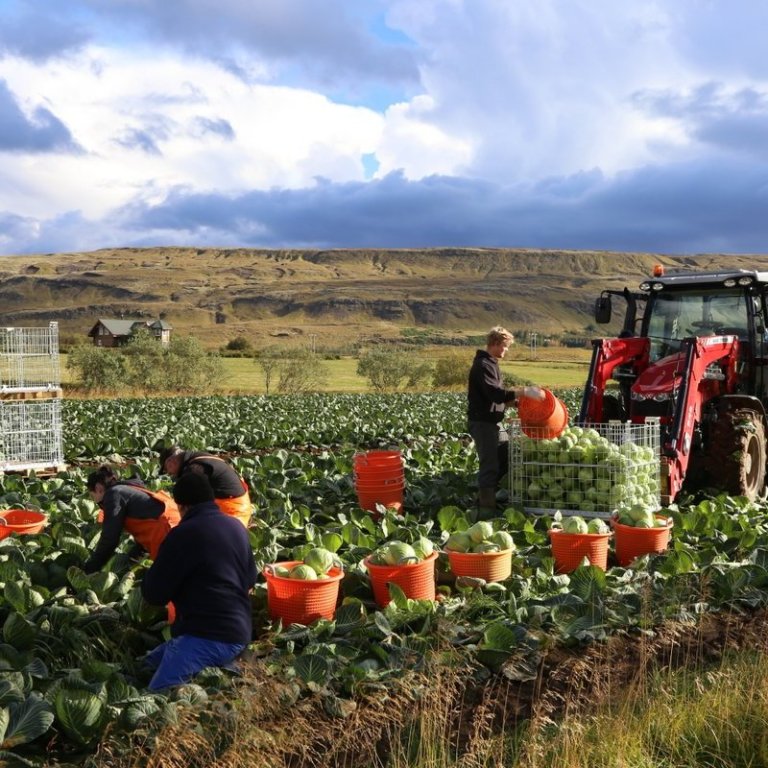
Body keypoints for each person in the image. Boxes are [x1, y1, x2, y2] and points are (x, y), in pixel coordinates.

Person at [141, 472, 257, 691]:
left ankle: (227, 671)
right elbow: (251, 578)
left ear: (182, 506)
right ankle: (227, 668)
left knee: (158, 694)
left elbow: (154, 594)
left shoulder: (183, 535)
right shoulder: (236, 527)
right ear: (211, 499)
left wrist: (148, 576)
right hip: (241, 632)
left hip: (206, 636)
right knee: (147, 665)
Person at [467, 326, 544, 513]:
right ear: (494, 343)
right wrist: (524, 391)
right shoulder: (483, 365)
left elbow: (493, 398)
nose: (506, 350)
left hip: (493, 422)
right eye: (504, 346)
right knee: (489, 464)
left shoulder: (491, 363)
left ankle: (490, 497)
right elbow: (494, 394)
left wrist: (516, 404)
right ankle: (486, 508)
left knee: (504, 455)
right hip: (483, 423)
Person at [84, 465, 181, 574]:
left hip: (166, 532)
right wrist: (130, 560)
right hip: (178, 526)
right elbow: (144, 531)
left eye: (93, 496)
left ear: (98, 488)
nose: (95, 501)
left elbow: (110, 538)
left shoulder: (113, 494)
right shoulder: (130, 488)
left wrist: (90, 568)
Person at [159, 446, 253, 527]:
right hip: (236, 504)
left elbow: (191, 504)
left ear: (170, 461)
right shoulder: (197, 457)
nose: (170, 474)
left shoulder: (194, 468)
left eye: (167, 470)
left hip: (233, 512)